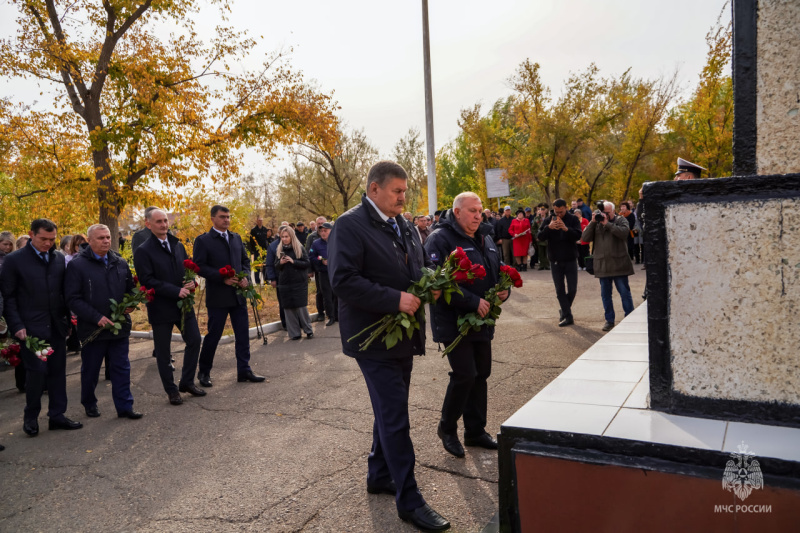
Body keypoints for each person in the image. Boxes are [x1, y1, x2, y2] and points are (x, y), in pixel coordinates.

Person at [328, 161, 450, 532]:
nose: (403, 196)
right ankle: (409, 501)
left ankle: (379, 474)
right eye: (396, 191)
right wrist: (393, 299)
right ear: (374, 189)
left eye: (404, 190)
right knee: (396, 416)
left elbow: (413, 270)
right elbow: (342, 280)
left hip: (402, 335)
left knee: (389, 410)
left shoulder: (406, 225)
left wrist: (429, 284)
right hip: (372, 338)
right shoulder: (349, 225)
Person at [425, 192, 509, 459]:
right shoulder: (439, 239)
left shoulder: (485, 237)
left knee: (481, 373)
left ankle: (475, 431)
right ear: (457, 212)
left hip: (481, 321)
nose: (477, 215)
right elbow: (437, 283)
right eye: (472, 210)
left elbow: (498, 269)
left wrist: (505, 290)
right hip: (453, 322)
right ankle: (447, 428)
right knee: (465, 374)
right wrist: (473, 301)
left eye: (480, 210)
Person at [0, 219, 82, 436]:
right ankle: (31, 418)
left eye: (52, 239)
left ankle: (57, 416)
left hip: (56, 327)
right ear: (31, 234)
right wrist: (16, 325)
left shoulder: (57, 258)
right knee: (37, 374)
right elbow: (8, 298)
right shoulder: (14, 261)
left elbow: (62, 294)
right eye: (43, 239)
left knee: (57, 372)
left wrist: (67, 322)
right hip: (31, 331)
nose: (48, 243)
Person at [65, 224, 142, 420]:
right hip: (93, 329)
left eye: (107, 237)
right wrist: (96, 317)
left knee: (121, 368)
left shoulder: (120, 262)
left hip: (119, 327)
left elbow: (130, 289)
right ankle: (89, 402)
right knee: (91, 370)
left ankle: (125, 406)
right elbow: (73, 298)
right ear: (89, 241)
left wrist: (131, 303)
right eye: (100, 238)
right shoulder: (77, 265)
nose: (106, 241)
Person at [134, 209, 206, 405]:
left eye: (165, 221)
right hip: (161, 307)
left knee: (194, 340)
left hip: (183, 305)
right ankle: (172, 390)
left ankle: (187, 382)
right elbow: (146, 280)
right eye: (158, 222)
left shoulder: (177, 245)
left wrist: (191, 283)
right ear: (148, 224)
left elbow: (185, 270)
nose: (164, 225)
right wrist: (174, 291)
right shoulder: (143, 250)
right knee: (164, 352)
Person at [194, 205, 265, 386]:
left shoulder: (236, 238)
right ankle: (204, 372)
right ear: (213, 219)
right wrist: (221, 277)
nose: (226, 219)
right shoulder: (204, 241)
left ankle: (244, 370)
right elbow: (199, 267)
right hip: (218, 296)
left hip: (238, 295)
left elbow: (245, 261)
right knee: (214, 335)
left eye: (228, 217)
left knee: (242, 334)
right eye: (222, 217)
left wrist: (246, 278)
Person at [581, 201, 635, 331]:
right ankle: (609, 320)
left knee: (624, 293)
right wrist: (593, 222)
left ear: (613, 211)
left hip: (619, 264)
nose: (604, 215)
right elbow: (585, 238)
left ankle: (630, 319)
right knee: (605, 295)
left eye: (607, 212)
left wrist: (608, 224)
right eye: (602, 212)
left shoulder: (621, 220)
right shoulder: (596, 223)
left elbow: (624, 233)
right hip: (603, 265)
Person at [537, 199, 582, 326]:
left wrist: (566, 229)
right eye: (556, 211)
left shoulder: (573, 219)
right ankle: (568, 316)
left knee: (572, 289)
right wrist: (548, 228)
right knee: (559, 289)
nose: (559, 214)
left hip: (570, 259)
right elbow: (539, 236)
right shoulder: (549, 219)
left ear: (566, 208)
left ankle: (564, 309)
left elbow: (579, 235)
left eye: (561, 212)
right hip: (555, 259)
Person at [275, 226, 314, 340]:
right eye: (282, 237)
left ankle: (308, 330)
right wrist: (281, 263)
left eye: (286, 236)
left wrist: (293, 261)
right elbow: (276, 266)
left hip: (299, 282)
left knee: (301, 308)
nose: (284, 239)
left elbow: (306, 263)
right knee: (288, 309)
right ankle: (294, 333)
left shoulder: (299, 247)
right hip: (285, 283)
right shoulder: (279, 249)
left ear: (291, 236)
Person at [309, 222, 337, 326]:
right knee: (327, 295)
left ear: (331, 231)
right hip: (323, 272)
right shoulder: (316, 243)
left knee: (337, 294)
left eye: (325, 231)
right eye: (321, 231)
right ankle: (330, 316)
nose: (323, 233)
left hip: (335, 271)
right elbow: (311, 256)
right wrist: (321, 260)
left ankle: (337, 314)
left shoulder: (336, 241)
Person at [266, 222, 290, 330]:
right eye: (282, 234)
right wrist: (272, 278)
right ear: (279, 234)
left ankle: (296, 322)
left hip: (293, 278)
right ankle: (285, 323)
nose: (284, 236)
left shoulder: (293, 243)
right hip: (279, 278)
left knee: (294, 300)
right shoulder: (273, 246)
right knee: (283, 301)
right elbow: (269, 264)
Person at [304, 216, 329, 323]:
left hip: (330, 269)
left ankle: (332, 312)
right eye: (318, 224)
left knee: (331, 291)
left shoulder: (331, 236)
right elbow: (307, 254)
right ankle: (320, 313)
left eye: (322, 223)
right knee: (320, 292)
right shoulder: (312, 237)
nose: (320, 225)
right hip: (318, 269)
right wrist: (309, 270)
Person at [249, 216, 270, 285]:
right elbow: (251, 241)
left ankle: (265, 281)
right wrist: (252, 250)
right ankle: (257, 282)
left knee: (265, 266)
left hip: (264, 251)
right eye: (259, 220)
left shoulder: (265, 229)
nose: (260, 221)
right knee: (257, 266)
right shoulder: (254, 230)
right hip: (257, 251)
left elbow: (267, 240)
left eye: (261, 220)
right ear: (257, 221)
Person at [534, 205, 551, 270]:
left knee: (547, 252)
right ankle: (541, 265)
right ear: (539, 211)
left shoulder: (549, 218)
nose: (542, 212)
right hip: (539, 238)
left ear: (545, 211)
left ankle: (547, 265)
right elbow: (533, 228)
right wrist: (536, 236)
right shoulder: (536, 219)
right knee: (540, 253)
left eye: (543, 210)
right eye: (541, 210)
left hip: (547, 238)